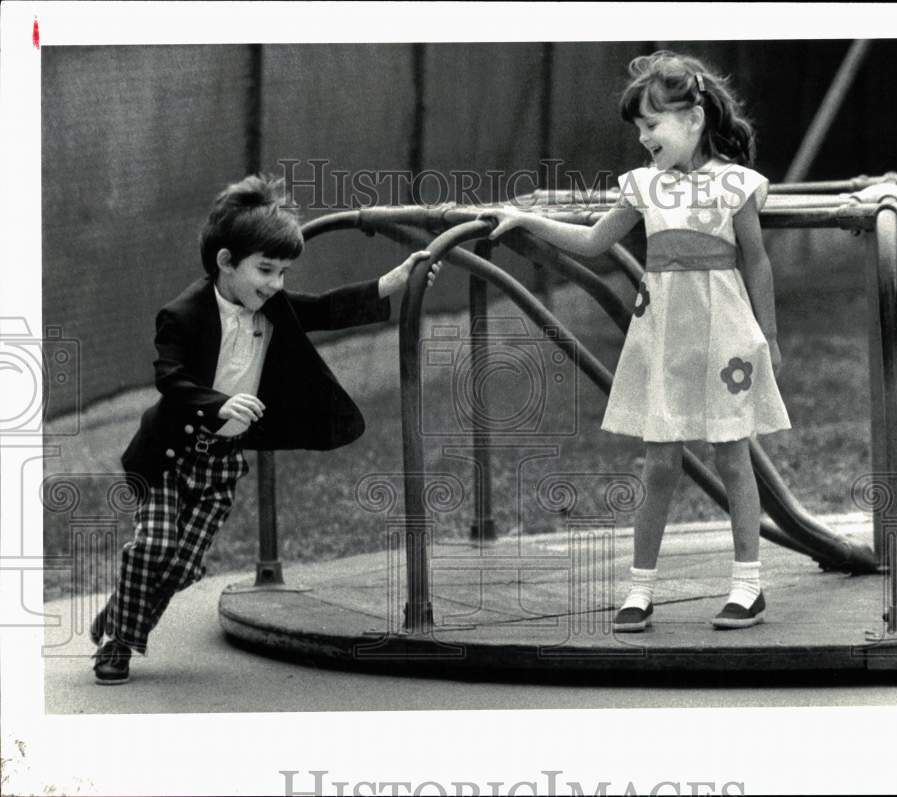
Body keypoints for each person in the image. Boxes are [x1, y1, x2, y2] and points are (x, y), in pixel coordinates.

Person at [481, 51, 789, 632]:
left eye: (653, 124)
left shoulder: (736, 184)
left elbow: (757, 261)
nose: (644, 137)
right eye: (639, 128)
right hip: (664, 336)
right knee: (659, 463)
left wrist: (768, 335)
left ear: (694, 118)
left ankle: (748, 585)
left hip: (725, 335)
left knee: (732, 455)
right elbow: (595, 241)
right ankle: (639, 588)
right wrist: (529, 222)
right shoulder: (643, 186)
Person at [91, 174, 440, 683]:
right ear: (226, 263)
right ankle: (119, 643)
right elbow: (170, 379)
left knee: (184, 567)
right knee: (153, 549)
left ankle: (118, 614)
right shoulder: (184, 314)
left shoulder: (271, 306)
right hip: (168, 457)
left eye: (283, 272)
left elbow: (324, 309)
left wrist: (393, 282)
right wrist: (220, 402)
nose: (276, 284)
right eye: (266, 270)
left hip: (222, 463)